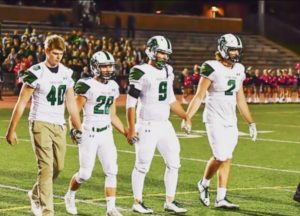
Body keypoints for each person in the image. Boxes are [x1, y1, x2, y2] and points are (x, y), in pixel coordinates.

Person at [5, 34, 82, 216]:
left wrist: (79, 127)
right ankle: (48, 211)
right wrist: (11, 130)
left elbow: (71, 103)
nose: (58, 57)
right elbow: (22, 102)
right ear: (46, 51)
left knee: (58, 167)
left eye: (61, 54)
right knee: (46, 168)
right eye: (55, 53)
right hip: (40, 122)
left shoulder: (66, 73)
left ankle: (34, 193)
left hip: (59, 125)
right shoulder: (36, 72)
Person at [182, 33, 257, 209]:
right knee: (221, 155)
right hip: (213, 118)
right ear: (223, 49)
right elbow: (200, 95)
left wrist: (250, 122)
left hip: (230, 119)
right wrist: (187, 117)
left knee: (227, 157)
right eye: (231, 50)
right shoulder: (211, 67)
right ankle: (204, 183)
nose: (235, 53)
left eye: (237, 50)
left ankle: (221, 197)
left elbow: (240, 99)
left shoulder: (239, 68)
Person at [126, 35, 188, 214]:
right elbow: (131, 104)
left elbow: (170, 99)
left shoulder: (168, 70)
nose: (163, 57)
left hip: (164, 124)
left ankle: (170, 201)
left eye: (165, 54)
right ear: (151, 51)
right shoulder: (140, 71)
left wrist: (185, 116)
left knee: (174, 163)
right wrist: (131, 129)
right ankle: (137, 202)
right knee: (142, 164)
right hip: (146, 125)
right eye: (160, 53)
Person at [64, 51, 126, 216]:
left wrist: (126, 132)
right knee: (85, 174)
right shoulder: (86, 84)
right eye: (103, 66)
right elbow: (74, 112)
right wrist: (74, 129)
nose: (107, 69)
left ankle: (111, 208)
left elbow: (112, 115)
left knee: (112, 170)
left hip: (106, 133)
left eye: (109, 66)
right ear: (94, 67)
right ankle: (70, 195)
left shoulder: (113, 86)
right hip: (89, 133)